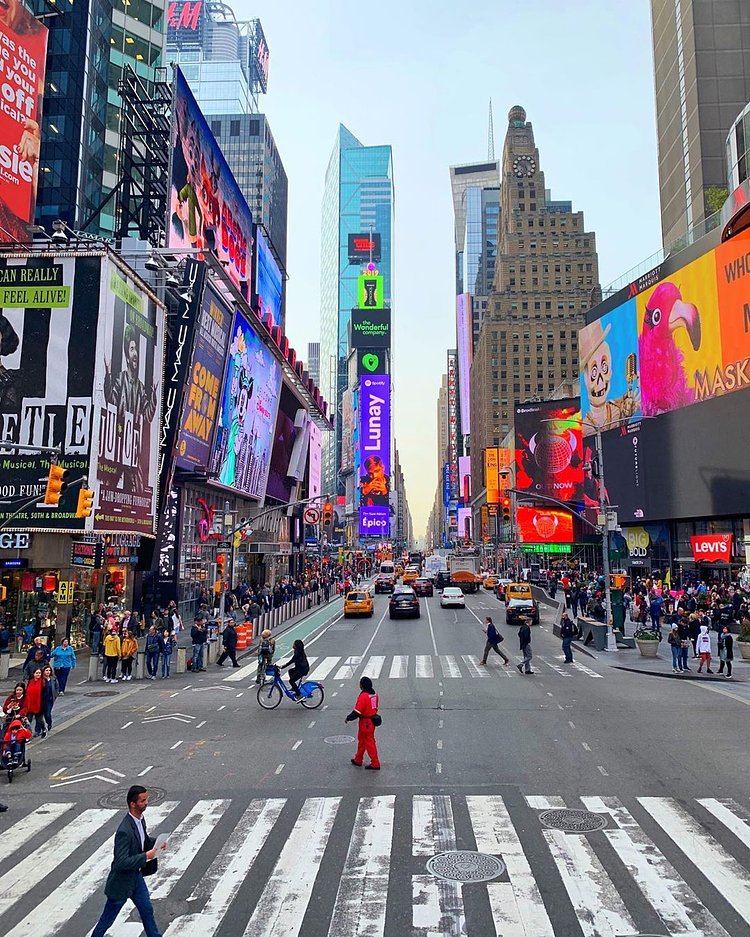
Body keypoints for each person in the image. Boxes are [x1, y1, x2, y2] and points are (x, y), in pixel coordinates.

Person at [90, 785, 167, 937]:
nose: (146, 802)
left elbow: (142, 841)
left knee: (147, 910)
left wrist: (156, 843)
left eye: (147, 799)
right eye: (143, 800)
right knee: (107, 919)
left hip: (136, 878)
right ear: (133, 804)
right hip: (121, 883)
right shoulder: (124, 831)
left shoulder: (140, 820)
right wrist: (146, 856)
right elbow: (121, 862)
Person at [346, 675, 381, 770]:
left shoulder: (363, 696)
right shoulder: (374, 694)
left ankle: (375, 762)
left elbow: (357, 712)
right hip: (372, 721)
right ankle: (358, 759)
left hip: (365, 722)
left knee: (369, 742)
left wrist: (348, 718)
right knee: (362, 741)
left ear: (362, 686)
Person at [25, 667, 45, 736]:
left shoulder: (43, 682)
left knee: (39, 719)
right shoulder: (30, 681)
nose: (38, 674)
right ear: (33, 674)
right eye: (36, 673)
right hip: (30, 704)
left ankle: (39, 730)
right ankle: (27, 732)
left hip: (39, 704)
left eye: (39, 673)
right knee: (28, 719)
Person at [41, 664, 58, 733]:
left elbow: (57, 687)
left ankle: (49, 723)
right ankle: (39, 729)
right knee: (40, 715)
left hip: (49, 699)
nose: (48, 672)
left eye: (49, 670)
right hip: (42, 699)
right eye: (46, 670)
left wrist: (55, 695)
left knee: (47, 713)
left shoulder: (53, 679)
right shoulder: (41, 679)